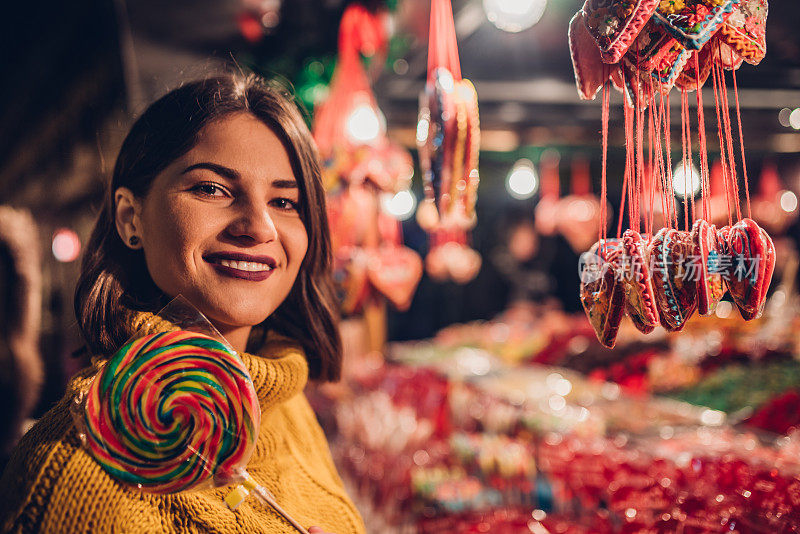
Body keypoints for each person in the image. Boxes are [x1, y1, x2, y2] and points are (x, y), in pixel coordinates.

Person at [0, 73, 366, 534]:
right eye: (211, 188)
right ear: (132, 218)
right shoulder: (70, 481)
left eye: (284, 201)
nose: (258, 226)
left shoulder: (286, 405)